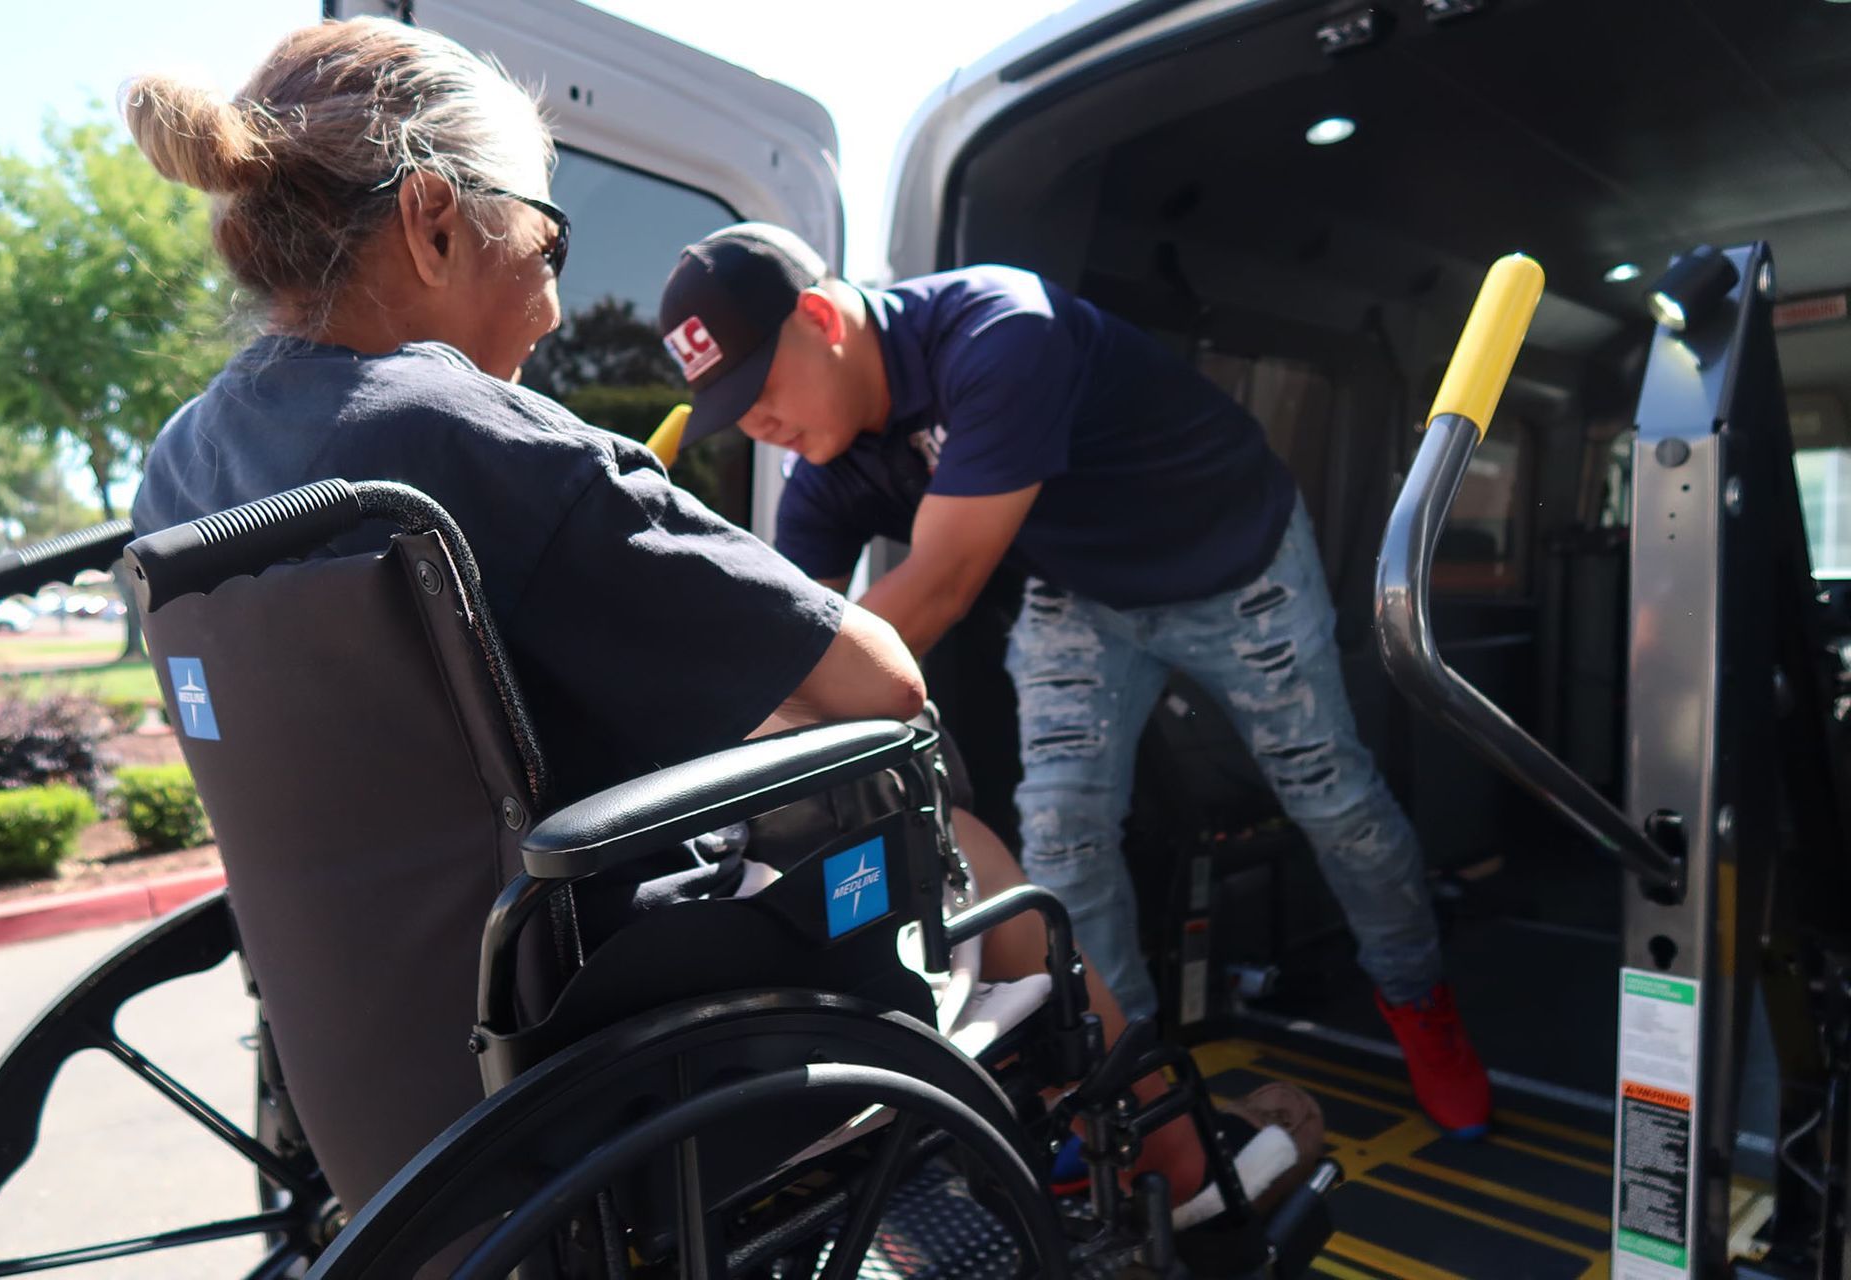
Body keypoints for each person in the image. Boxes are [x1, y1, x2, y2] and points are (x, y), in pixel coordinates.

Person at [120, 15, 1318, 1231]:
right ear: (435, 221)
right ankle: (1187, 1177)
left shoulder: (179, 475)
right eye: (547, 241)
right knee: (968, 846)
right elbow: (886, 685)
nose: (550, 305)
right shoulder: (471, 436)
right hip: (601, 1076)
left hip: (394, 1127)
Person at [656, 222, 1492, 1137]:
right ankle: (1132, 1100)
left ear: (821, 317)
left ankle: (1418, 998)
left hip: (1237, 560)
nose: (757, 426)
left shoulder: (999, 331)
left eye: (761, 387)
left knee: (1331, 797)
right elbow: (797, 648)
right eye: (733, 409)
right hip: (1081, 595)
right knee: (1060, 837)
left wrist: (771, 721)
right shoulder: (825, 464)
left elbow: (939, 589)